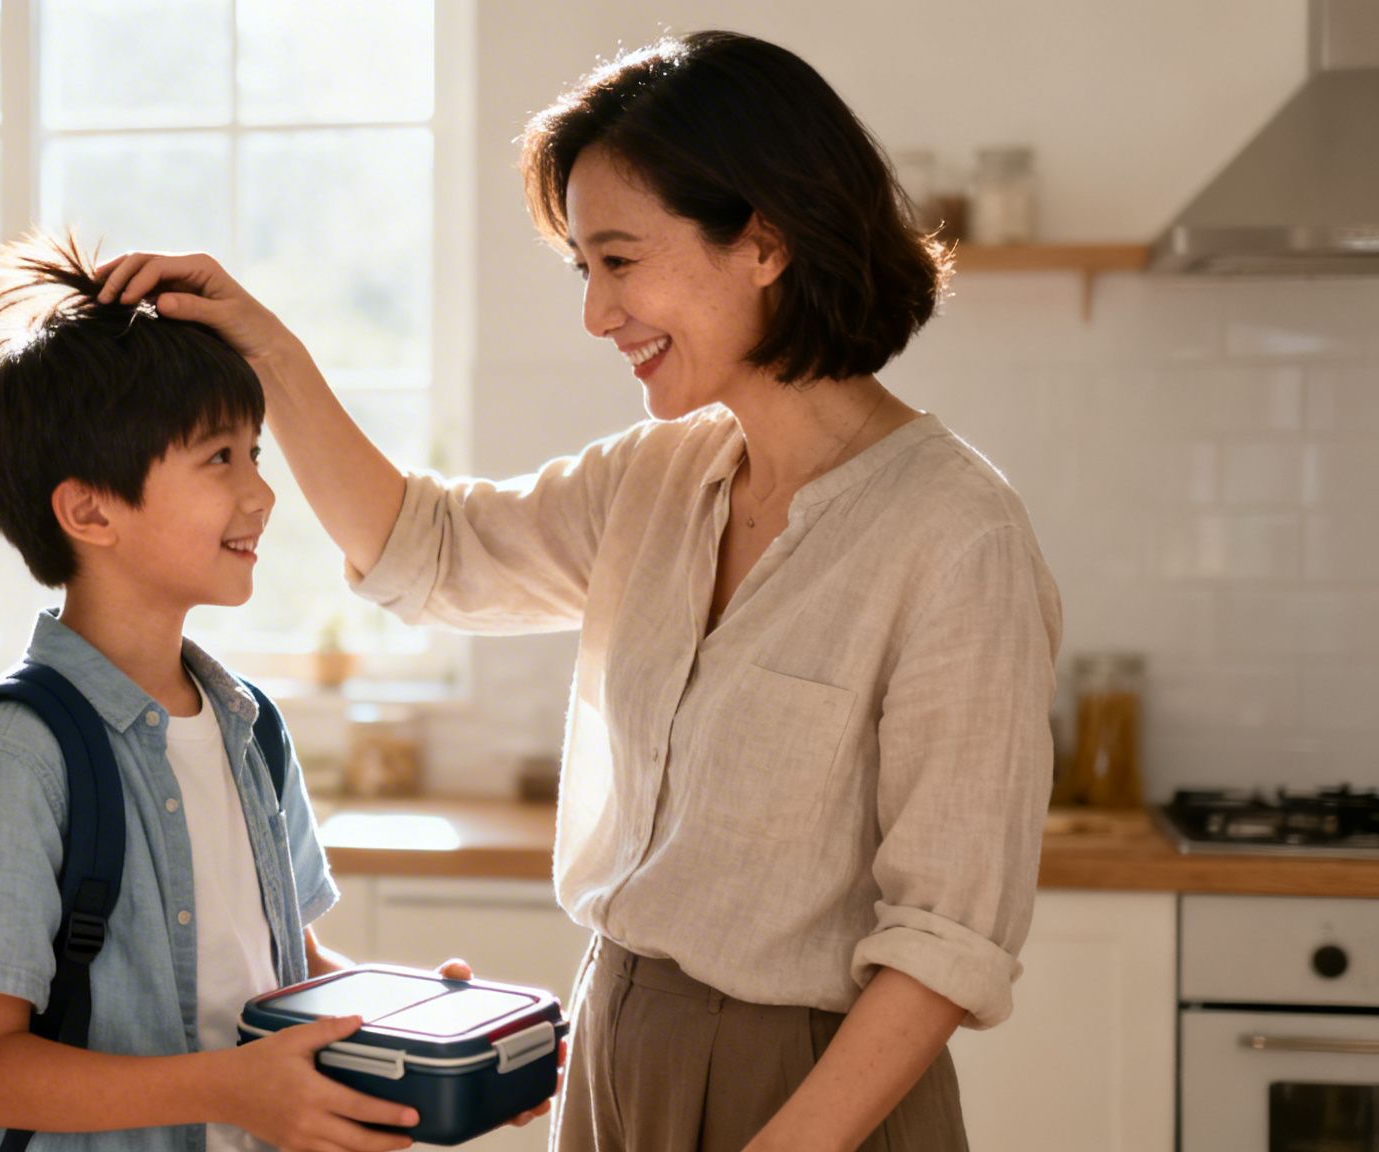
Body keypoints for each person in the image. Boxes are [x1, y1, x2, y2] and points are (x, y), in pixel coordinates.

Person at [94, 29, 1062, 1152]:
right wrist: (267, 351)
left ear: (763, 240)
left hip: (815, 1097)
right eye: (584, 270)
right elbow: (429, 550)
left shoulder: (954, 536)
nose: (597, 314)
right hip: (617, 1051)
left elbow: (941, 943)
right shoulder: (657, 477)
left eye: (618, 260)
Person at [0, 232, 422, 1152]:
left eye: (255, 452)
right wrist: (228, 1088)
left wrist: (418, 1038)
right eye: (219, 459)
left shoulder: (251, 728)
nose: (263, 494)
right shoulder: (21, 758)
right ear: (90, 511)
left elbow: (282, 968)